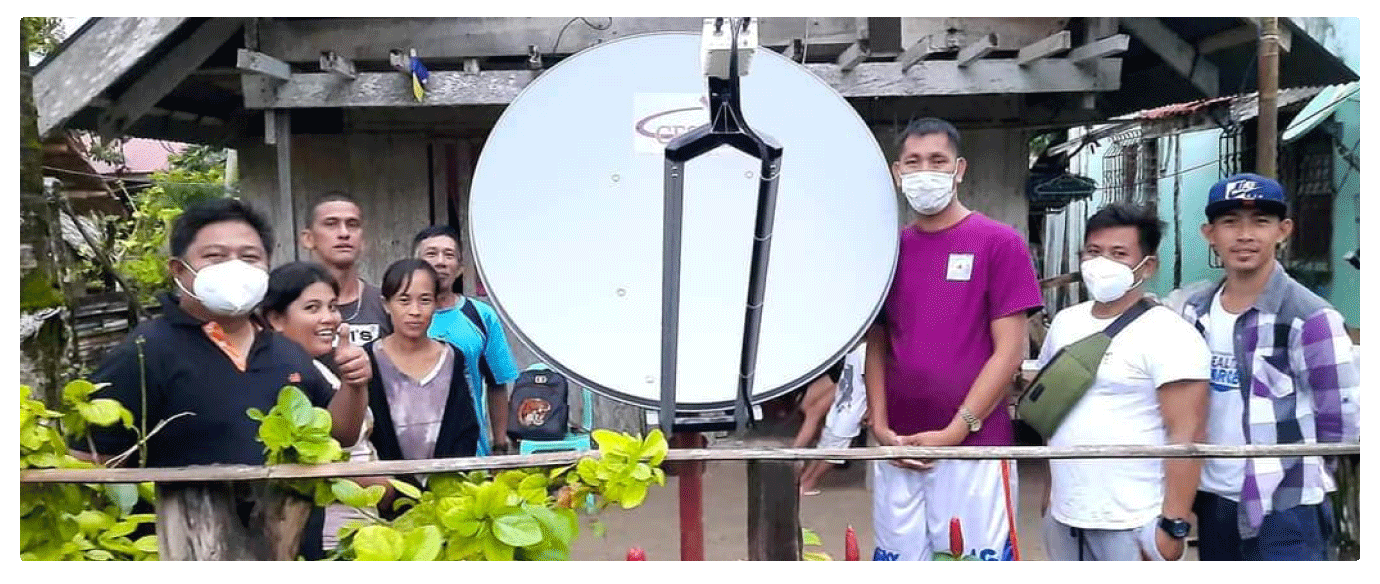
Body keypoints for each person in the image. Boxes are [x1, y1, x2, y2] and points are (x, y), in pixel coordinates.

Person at [76, 198, 370, 559]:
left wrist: (356, 384)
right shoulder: (144, 352)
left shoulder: (285, 351)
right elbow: (88, 460)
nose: (234, 268)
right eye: (215, 257)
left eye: (249, 258)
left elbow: (340, 433)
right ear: (178, 270)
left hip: (290, 548)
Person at [866, 118, 1042, 561]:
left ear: (959, 169)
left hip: (975, 453)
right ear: (896, 172)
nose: (925, 171)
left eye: (937, 161)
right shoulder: (887, 249)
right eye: (913, 162)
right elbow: (877, 343)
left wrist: (954, 431)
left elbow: (1009, 352)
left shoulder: (999, 244)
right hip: (898, 451)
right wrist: (882, 429)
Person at [1182, 174, 1360, 561]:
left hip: (1287, 507)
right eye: (1230, 222)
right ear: (1209, 233)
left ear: (1283, 231)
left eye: (1261, 221)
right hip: (1214, 500)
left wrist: (1298, 472)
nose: (1244, 235)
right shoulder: (1194, 313)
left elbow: (1342, 423)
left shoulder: (1309, 318)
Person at [1036, 203, 1209, 561]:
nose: (1102, 263)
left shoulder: (1171, 333)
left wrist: (1173, 525)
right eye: (1094, 252)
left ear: (1147, 265)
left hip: (1135, 521)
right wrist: (1051, 492)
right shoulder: (1067, 323)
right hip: (1065, 517)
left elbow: (1187, 434)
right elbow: (1053, 409)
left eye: (1119, 254)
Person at [260, 262, 392, 550]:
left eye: (332, 307)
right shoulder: (278, 374)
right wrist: (376, 484)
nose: (329, 318)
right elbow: (324, 447)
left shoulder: (322, 369)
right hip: (323, 533)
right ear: (276, 319)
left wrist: (354, 383)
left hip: (363, 528)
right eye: (312, 308)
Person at [364, 259, 480, 472]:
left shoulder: (452, 358)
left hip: (444, 490)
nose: (415, 311)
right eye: (404, 300)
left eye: (425, 300)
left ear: (436, 304)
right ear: (386, 304)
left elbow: (465, 428)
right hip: (386, 490)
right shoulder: (368, 359)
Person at [413, 225, 519, 455]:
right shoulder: (401, 317)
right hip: (413, 455)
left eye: (449, 255)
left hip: (472, 453)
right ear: (415, 264)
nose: (440, 262)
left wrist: (499, 446)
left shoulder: (481, 316)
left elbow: (497, 383)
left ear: (460, 269)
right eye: (431, 254)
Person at [300, 191, 390, 346]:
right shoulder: (291, 305)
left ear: (363, 240)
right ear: (308, 238)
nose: (344, 233)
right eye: (331, 224)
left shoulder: (386, 304)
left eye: (352, 224)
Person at [799, 343, 868, 496]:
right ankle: (808, 484)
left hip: (839, 406)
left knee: (823, 447)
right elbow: (869, 382)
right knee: (834, 454)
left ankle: (803, 480)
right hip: (851, 412)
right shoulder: (866, 353)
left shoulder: (854, 349)